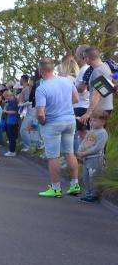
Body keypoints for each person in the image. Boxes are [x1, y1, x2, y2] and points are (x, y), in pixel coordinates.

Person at [35, 57, 80, 198]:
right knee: (69, 153)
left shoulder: (42, 88)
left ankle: (56, 188)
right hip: (70, 120)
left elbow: (40, 113)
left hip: (52, 123)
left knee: (53, 156)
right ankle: (75, 185)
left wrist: (42, 122)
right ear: (53, 68)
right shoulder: (67, 81)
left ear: (40, 70)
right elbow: (76, 99)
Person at [76, 109, 109, 203]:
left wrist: (84, 153)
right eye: (91, 120)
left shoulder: (102, 133)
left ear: (103, 122)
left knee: (94, 177)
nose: (91, 122)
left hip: (95, 159)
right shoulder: (91, 131)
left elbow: (98, 148)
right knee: (85, 176)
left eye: (94, 120)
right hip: (86, 158)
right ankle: (88, 193)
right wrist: (80, 150)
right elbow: (84, 142)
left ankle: (94, 194)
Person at [77, 47, 114, 127]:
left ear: (87, 58)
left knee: (95, 133)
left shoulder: (98, 71)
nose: (84, 60)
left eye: (83, 57)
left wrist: (88, 113)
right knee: (100, 132)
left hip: (99, 109)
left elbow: (96, 94)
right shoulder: (106, 66)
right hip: (106, 106)